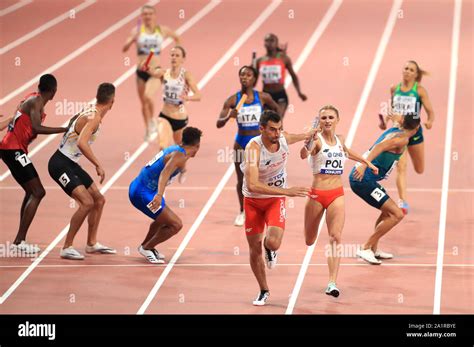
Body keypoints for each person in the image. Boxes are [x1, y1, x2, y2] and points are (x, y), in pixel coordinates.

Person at [300, 105, 378, 297]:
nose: (327, 121)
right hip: (317, 195)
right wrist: (309, 138)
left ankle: (332, 283)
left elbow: (347, 152)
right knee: (309, 240)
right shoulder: (316, 141)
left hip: (336, 194)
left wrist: (366, 162)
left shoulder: (340, 140)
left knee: (335, 237)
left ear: (337, 120)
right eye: (323, 118)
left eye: (330, 117)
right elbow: (304, 154)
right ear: (319, 121)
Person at [241, 110, 314, 306]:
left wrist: (311, 133)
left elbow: (298, 136)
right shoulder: (253, 150)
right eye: (272, 130)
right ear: (262, 129)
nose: (277, 133)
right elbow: (253, 185)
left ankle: (270, 249)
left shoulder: (282, 139)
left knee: (272, 242)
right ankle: (263, 290)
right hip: (253, 201)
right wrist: (287, 191)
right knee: (253, 248)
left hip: (274, 199)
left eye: (279, 129)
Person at [48, 83, 117, 260]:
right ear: (112, 102)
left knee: (99, 200)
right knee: (87, 203)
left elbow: (73, 126)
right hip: (59, 164)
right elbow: (81, 143)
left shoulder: (90, 110)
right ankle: (66, 246)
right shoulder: (93, 117)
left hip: (71, 163)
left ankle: (92, 244)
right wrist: (98, 164)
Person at [0, 74, 66, 254]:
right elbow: (37, 127)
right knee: (38, 192)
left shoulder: (32, 98)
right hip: (13, 150)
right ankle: (19, 241)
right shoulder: (36, 102)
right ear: (53, 92)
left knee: (31, 191)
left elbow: (21, 118)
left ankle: (19, 240)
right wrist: (64, 129)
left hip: (12, 149)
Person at [350, 113, 421, 265]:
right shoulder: (402, 139)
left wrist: (391, 117)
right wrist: (364, 164)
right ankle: (366, 247)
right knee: (397, 214)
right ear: (417, 128)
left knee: (386, 211)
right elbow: (379, 146)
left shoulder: (397, 128)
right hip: (363, 179)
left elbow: (397, 118)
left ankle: (374, 249)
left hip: (367, 178)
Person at [216, 65, 280, 227]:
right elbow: (218, 124)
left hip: (259, 145)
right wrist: (228, 117)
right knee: (241, 179)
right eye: (242, 75)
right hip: (241, 144)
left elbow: (276, 109)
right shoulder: (232, 100)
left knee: (262, 178)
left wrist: (276, 128)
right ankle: (243, 212)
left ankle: (264, 209)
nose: (245, 77)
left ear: (254, 78)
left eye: (249, 75)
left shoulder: (263, 97)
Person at [129, 127, 202, 264]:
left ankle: (146, 246)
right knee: (176, 225)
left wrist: (183, 170)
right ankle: (147, 247)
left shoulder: (177, 150)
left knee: (162, 220)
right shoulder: (180, 156)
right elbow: (165, 173)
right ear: (197, 146)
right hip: (143, 193)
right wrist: (159, 195)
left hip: (142, 187)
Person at [379, 60, 434, 214]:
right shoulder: (394, 88)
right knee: (401, 167)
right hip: (398, 131)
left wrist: (429, 121)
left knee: (419, 169)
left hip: (415, 133)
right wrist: (385, 121)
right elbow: (392, 109)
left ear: (416, 74)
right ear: (402, 70)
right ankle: (402, 202)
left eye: (411, 70)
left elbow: (431, 111)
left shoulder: (420, 91)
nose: (408, 71)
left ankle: (403, 201)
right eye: (406, 68)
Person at [123, 4, 180, 141]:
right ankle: (148, 128)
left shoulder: (162, 30)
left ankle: (153, 121)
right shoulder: (137, 31)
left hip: (155, 71)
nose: (147, 16)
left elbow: (177, 38)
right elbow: (124, 49)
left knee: (148, 97)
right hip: (141, 71)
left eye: (150, 14)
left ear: (154, 15)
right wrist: (131, 40)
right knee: (143, 103)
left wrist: (177, 55)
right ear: (142, 16)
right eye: (145, 14)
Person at [140, 46, 201, 148]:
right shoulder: (163, 73)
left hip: (180, 119)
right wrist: (145, 65)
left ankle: (177, 163)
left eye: (177, 56)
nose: (174, 58)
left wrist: (188, 98)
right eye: (172, 55)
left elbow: (198, 95)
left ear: (183, 59)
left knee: (181, 150)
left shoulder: (186, 75)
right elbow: (150, 70)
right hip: (165, 116)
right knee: (162, 147)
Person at [255, 33, 307, 117]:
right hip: (266, 95)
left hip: (280, 94)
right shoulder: (259, 61)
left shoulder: (284, 58)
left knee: (278, 119)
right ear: (264, 43)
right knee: (266, 120)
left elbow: (293, 76)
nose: (269, 43)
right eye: (267, 41)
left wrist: (299, 92)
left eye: (272, 40)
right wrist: (252, 69)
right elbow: (253, 83)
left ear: (276, 43)